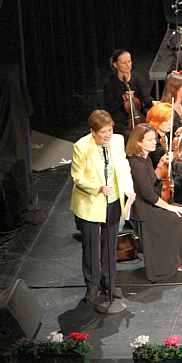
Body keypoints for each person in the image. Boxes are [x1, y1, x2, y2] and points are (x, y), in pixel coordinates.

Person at [70, 110, 135, 303]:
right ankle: (92, 285)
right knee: (91, 246)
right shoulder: (81, 146)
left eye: (110, 130)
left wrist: (129, 189)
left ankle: (109, 282)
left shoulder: (117, 140)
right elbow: (77, 177)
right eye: (103, 132)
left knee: (110, 243)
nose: (108, 135)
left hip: (113, 200)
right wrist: (97, 187)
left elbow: (124, 168)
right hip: (91, 202)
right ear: (93, 131)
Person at [126, 123, 182, 283]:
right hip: (144, 211)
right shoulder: (137, 164)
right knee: (181, 217)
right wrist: (169, 207)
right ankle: (170, 262)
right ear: (139, 142)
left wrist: (160, 164)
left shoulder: (145, 158)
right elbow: (148, 195)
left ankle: (176, 258)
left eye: (154, 139)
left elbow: (154, 178)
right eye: (150, 139)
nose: (155, 142)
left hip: (150, 205)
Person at [104, 50, 155, 140]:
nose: (128, 65)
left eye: (129, 61)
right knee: (130, 136)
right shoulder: (110, 83)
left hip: (138, 117)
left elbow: (146, 98)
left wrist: (153, 102)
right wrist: (122, 98)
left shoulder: (137, 78)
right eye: (124, 63)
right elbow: (109, 107)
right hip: (120, 121)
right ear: (115, 65)